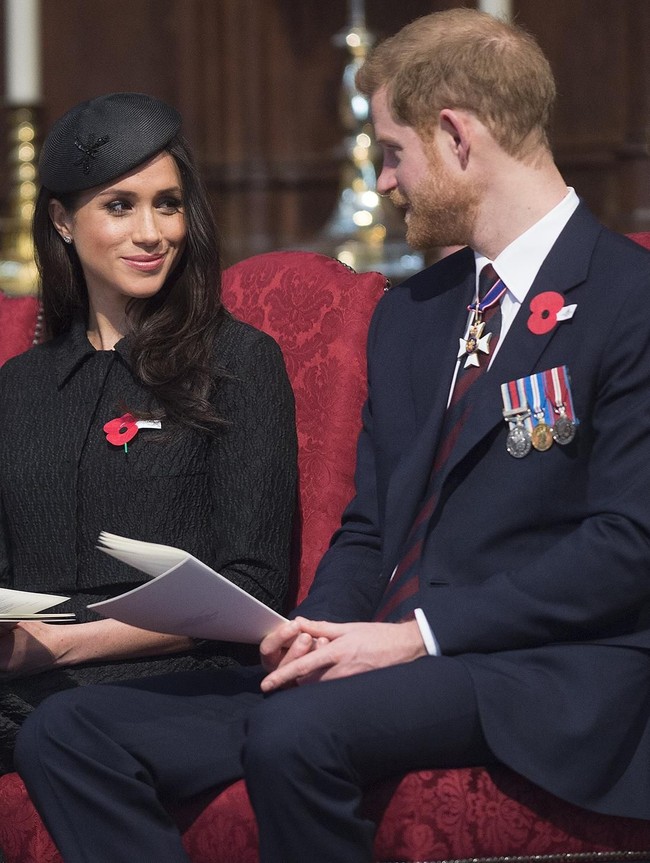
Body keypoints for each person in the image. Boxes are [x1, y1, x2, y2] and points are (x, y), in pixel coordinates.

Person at [14, 10, 650, 862]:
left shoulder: (628, 295)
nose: (384, 182)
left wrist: (416, 635)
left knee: (297, 734)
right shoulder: (416, 314)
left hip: (539, 666)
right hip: (384, 656)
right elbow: (368, 525)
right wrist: (313, 630)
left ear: (455, 136)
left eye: (393, 151)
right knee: (70, 730)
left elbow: (626, 547)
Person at [0, 93, 297, 774]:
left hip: (186, 676)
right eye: (119, 205)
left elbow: (256, 587)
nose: (152, 231)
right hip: (30, 680)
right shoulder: (17, 386)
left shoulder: (240, 361)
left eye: (167, 203)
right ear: (61, 222)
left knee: (59, 722)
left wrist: (61, 644)